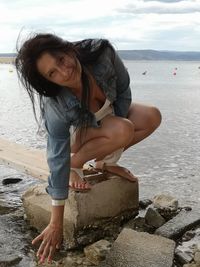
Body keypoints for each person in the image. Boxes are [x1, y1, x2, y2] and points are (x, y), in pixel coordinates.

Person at [15, 33, 162, 264]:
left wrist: (113, 151)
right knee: (122, 129)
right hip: (73, 135)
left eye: (61, 59)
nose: (64, 72)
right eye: (52, 73)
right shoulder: (56, 103)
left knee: (152, 116)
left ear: (69, 49)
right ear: (48, 81)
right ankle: (77, 162)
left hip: (109, 117)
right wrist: (56, 222)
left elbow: (123, 90)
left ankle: (104, 162)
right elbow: (57, 152)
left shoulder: (102, 54)